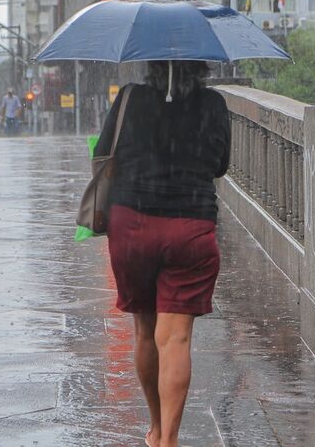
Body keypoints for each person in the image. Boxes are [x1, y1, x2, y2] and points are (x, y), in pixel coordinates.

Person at [95, 60, 230, 447]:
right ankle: (169, 439)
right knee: (176, 340)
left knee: (144, 331)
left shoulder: (129, 99)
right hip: (191, 228)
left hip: (132, 226)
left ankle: (155, 427)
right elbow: (219, 166)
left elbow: (104, 152)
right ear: (202, 67)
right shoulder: (214, 105)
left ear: (151, 66)